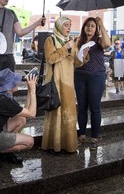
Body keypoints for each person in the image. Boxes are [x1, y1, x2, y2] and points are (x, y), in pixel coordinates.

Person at [41, 17, 89, 155]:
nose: (68, 28)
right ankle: (53, 145)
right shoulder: (50, 40)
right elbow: (50, 59)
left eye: (70, 25)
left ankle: (68, 145)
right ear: (59, 26)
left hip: (68, 83)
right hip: (55, 81)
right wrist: (64, 48)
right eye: (66, 25)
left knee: (68, 112)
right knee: (56, 112)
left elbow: (76, 63)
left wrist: (83, 56)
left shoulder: (71, 42)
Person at [74, 17, 111, 151]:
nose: (89, 28)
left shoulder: (99, 40)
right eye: (87, 26)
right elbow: (74, 60)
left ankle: (94, 137)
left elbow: (107, 44)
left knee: (95, 107)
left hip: (96, 77)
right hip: (79, 76)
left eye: (92, 26)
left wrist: (101, 23)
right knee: (82, 107)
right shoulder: (78, 42)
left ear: (96, 29)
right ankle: (82, 134)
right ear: (84, 28)